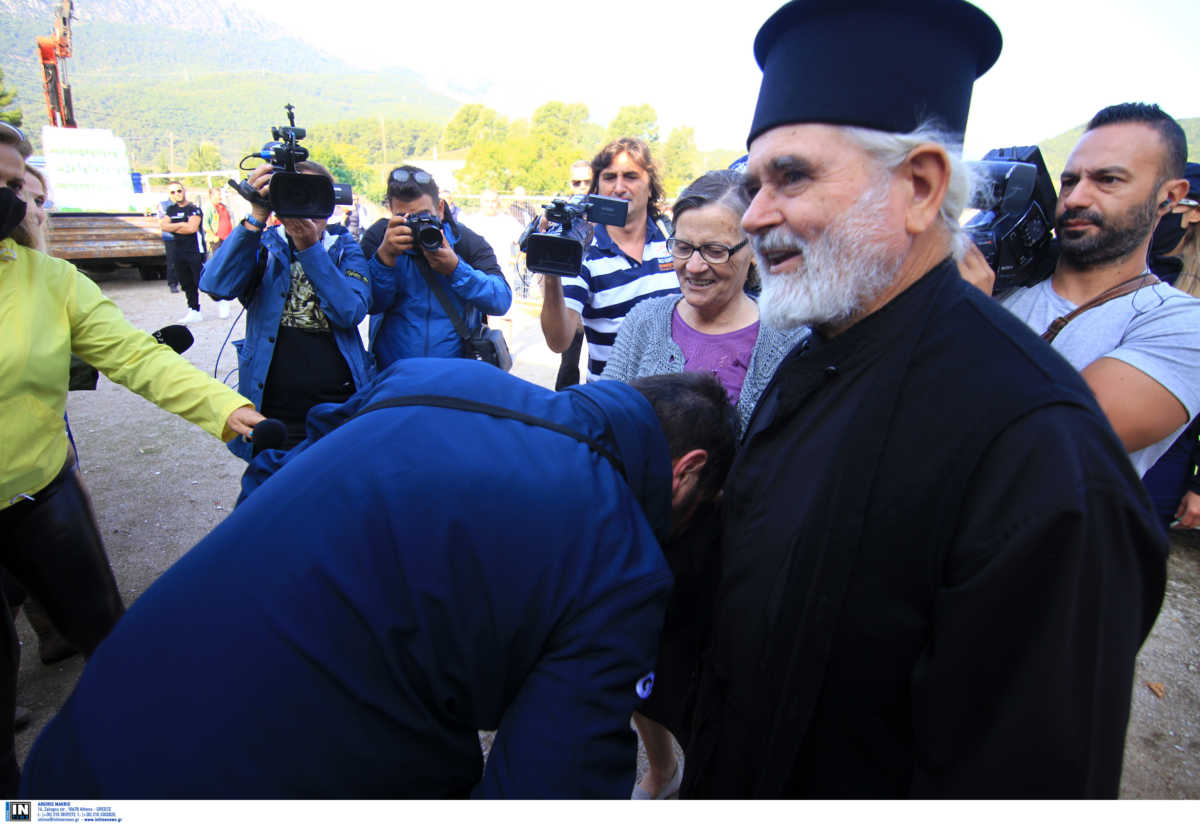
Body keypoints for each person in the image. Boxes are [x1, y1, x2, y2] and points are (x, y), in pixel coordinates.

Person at [680, 0, 1166, 800]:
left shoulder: (1040, 450)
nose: (754, 216)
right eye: (752, 183)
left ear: (918, 186)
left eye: (790, 176)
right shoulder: (819, 351)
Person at [22, 359, 739, 800]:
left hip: (83, 747)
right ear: (688, 474)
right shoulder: (622, 557)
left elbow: (279, 465)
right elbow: (551, 787)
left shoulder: (433, 376)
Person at [0, 122, 263, 795]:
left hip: (41, 493)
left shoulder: (49, 280)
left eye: (14, 187)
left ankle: (145, 775)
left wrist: (227, 411)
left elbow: (135, 356)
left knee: (109, 636)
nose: (11, 200)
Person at [1000, 105, 1200, 506]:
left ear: (1170, 196)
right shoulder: (999, 279)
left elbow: (1048, 438)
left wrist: (960, 306)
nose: (1076, 198)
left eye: (1107, 180)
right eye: (1069, 181)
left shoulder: (1178, 322)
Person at [604, 169, 806, 433]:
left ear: (756, 249)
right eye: (683, 247)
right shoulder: (643, 320)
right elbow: (604, 416)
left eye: (715, 251)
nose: (695, 266)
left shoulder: (789, 342)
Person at [199, 160, 373, 456]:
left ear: (330, 204)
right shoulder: (264, 244)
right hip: (272, 405)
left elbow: (350, 312)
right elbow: (216, 285)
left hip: (338, 403)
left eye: (313, 194)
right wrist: (256, 217)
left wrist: (310, 249)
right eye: (293, 193)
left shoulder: (345, 248)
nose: (303, 203)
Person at [540, 138, 680, 383]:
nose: (619, 187)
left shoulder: (672, 243)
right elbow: (559, 341)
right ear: (597, 188)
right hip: (612, 406)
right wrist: (551, 271)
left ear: (650, 187)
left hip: (672, 404)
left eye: (630, 176)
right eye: (609, 177)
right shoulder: (584, 253)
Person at [360, 166, 512, 368]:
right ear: (390, 210)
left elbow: (501, 300)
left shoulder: (465, 241)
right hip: (395, 376)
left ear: (440, 209)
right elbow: (368, 305)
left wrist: (456, 270)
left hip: (453, 375)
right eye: (404, 216)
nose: (415, 224)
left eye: (424, 216)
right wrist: (384, 259)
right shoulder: (379, 238)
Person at [555, 160, 595, 390]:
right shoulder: (562, 214)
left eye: (587, 182)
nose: (582, 187)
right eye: (576, 182)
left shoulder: (611, 214)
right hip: (572, 296)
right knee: (569, 362)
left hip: (604, 294)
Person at [157, 181, 206, 323]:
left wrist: (174, 226)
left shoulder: (193, 209)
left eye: (179, 190)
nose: (177, 194)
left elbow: (192, 228)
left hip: (194, 250)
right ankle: (194, 309)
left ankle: (221, 300)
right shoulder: (171, 209)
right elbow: (163, 226)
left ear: (184, 191)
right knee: (186, 282)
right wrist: (181, 224)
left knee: (201, 280)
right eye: (172, 192)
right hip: (178, 250)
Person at [468, 188, 523, 280]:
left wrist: (517, 259)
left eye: (493, 201)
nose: (490, 205)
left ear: (498, 202)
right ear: (481, 202)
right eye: (487, 201)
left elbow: (526, 243)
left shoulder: (509, 221)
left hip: (503, 275)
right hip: (477, 275)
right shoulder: (470, 222)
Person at [204, 186, 236, 319]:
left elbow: (231, 221)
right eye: (217, 194)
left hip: (227, 240)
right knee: (217, 267)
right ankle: (219, 293)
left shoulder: (225, 207)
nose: (219, 197)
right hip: (216, 241)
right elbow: (206, 225)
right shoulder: (210, 209)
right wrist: (213, 235)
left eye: (220, 194)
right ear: (211, 196)